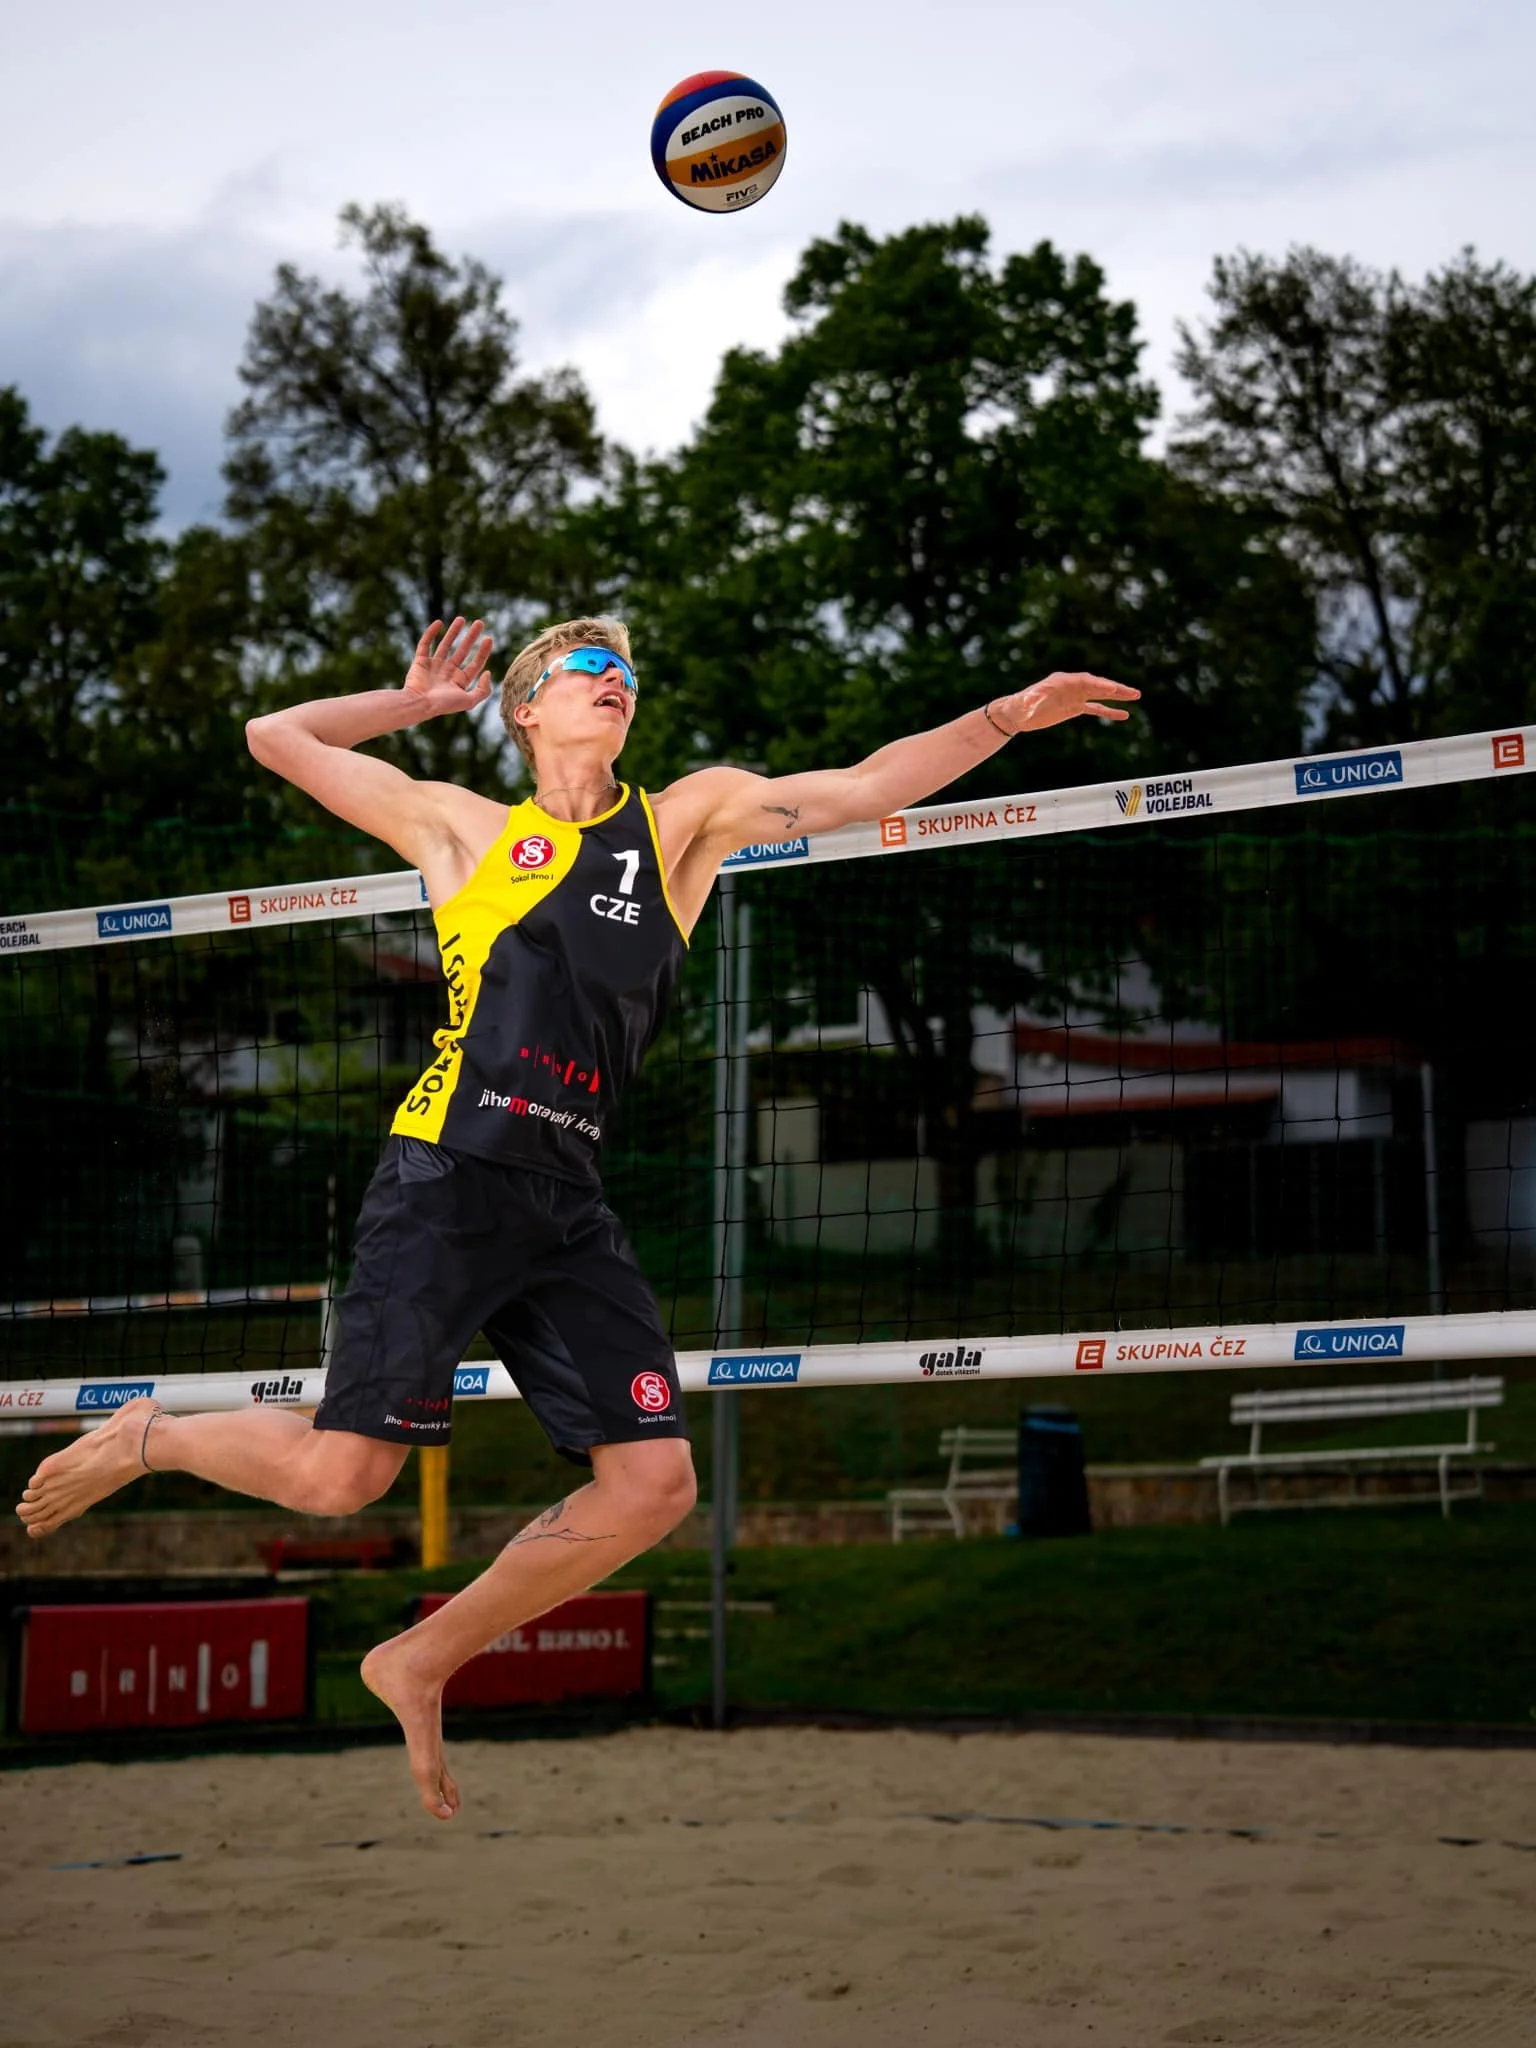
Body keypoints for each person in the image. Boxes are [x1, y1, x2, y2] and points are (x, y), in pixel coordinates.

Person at [16, 615, 1138, 1815]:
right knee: (344, 1480)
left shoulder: (681, 822)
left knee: (654, 1486)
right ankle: (154, 1433)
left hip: (565, 1196)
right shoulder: (462, 826)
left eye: (629, 676)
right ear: (526, 707)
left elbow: (864, 788)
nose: (618, 686)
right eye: (589, 671)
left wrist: (1007, 714)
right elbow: (274, 734)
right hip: (446, 1174)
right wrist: (411, 706)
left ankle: (421, 1655)